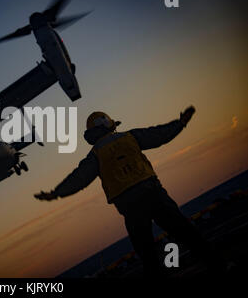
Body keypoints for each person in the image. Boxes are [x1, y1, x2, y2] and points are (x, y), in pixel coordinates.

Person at [34, 106, 222, 276]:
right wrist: (179, 124)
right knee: (186, 233)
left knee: (147, 254)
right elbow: (158, 135)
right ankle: (218, 266)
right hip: (153, 194)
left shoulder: (95, 154)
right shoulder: (129, 137)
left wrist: (56, 193)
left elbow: (79, 178)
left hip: (130, 207)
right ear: (108, 124)